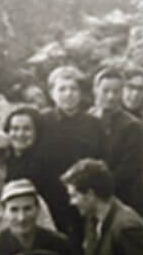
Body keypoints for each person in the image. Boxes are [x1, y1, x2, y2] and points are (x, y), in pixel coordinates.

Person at [36, 64, 104, 238]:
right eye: (62, 89)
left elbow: (101, 159)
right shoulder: (42, 122)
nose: (68, 94)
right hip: (52, 194)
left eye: (73, 88)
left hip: (85, 195)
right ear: (52, 93)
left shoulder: (93, 124)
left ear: (81, 93)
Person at [94, 63, 143, 233]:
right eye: (130, 88)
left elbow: (139, 168)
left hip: (129, 195)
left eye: (141, 90)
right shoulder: (94, 118)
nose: (135, 94)